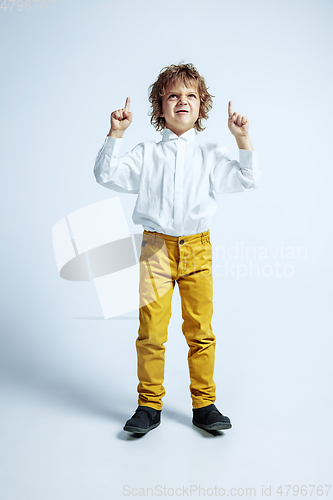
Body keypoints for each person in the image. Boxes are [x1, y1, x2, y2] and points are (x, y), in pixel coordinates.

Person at [93, 62, 261, 435]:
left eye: (190, 95)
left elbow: (249, 178)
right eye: (173, 95)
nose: (182, 101)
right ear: (159, 108)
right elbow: (105, 174)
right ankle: (149, 405)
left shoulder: (212, 155)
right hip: (155, 250)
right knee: (151, 330)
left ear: (202, 107)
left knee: (200, 330)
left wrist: (242, 138)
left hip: (198, 251)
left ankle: (204, 405)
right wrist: (115, 133)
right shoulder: (145, 154)